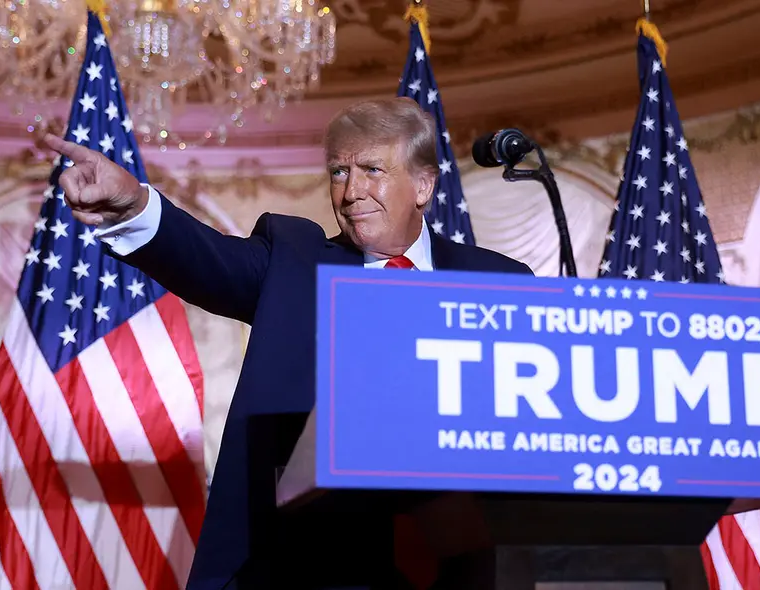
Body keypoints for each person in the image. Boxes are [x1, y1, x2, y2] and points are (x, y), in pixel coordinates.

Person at [44, 96, 534, 589]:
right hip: (309, 561)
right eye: (339, 172)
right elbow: (206, 260)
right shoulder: (293, 262)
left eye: (371, 169)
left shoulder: (499, 281)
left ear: (423, 184)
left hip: (466, 559)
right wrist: (134, 203)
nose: (351, 191)